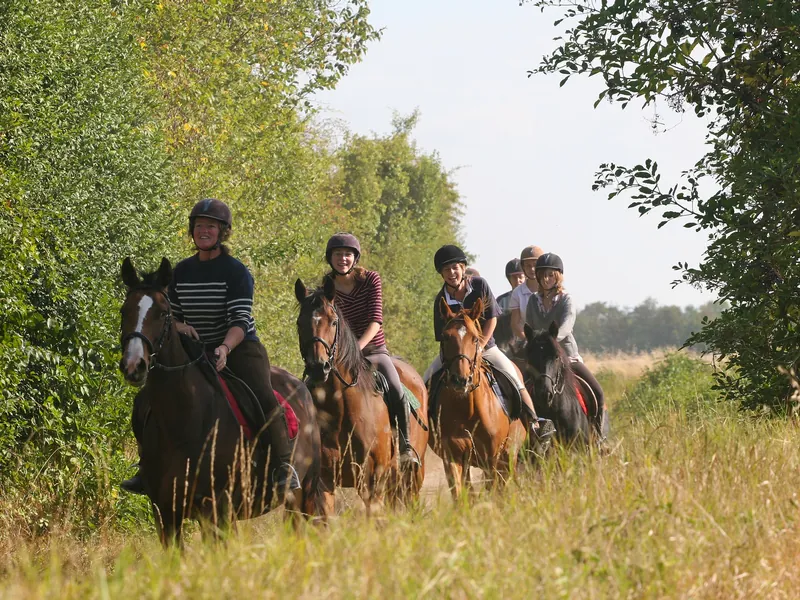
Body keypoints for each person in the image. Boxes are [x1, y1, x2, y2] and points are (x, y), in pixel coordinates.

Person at [122, 198, 300, 496]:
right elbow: (169, 315)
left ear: (222, 232)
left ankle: (283, 466)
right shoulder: (180, 271)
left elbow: (240, 320)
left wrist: (225, 349)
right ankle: (146, 468)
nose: (204, 231)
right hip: (194, 348)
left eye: (211, 227)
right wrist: (180, 327)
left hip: (239, 348)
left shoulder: (235, 271)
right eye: (199, 226)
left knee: (263, 396)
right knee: (145, 401)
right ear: (192, 231)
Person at [324, 233, 420, 467]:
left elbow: (376, 320)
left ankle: (406, 446)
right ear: (330, 258)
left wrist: (356, 348)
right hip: (339, 355)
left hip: (373, 350)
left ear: (355, 258)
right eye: (338, 254)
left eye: (347, 254)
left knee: (396, 388)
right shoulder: (326, 286)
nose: (342, 259)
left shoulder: (371, 280)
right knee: (309, 387)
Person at [424, 244, 541, 432]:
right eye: (446, 270)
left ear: (463, 268)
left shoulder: (480, 285)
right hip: (456, 354)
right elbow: (443, 337)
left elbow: (492, 318)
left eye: (455, 267)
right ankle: (424, 429)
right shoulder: (441, 300)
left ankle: (535, 424)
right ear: (441, 274)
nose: (452, 273)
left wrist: (480, 346)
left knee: (513, 377)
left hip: (487, 347)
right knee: (425, 382)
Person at [525, 252, 606, 437]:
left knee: (598, 392)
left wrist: (549, 338)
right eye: (542, 274)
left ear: (558, 276)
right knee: (517, 389)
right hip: (539, 360)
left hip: (566, 356)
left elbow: (566, 327)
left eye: (550, 274)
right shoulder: (532, 300)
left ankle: (598, 435)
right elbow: (529, 325)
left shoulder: (566, 300)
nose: (546, 279)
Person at [509, 245, 545, 342]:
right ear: (523, 267)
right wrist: (529, 340)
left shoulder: (551, 290)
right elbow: (515, 324)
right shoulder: (517, 293)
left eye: (535, 264)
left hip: (551, 341)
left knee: (573, 357)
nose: (532, 269)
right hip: (526, 341)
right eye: (528, 265)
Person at [494, 258, 525, 350]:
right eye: (514, 277)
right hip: (506, 346)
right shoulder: (501, 300)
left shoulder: (532, 297)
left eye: (520, 276)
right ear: (509, 279)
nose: (518, 280)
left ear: (525, 277)